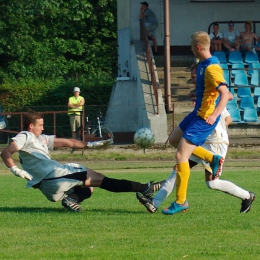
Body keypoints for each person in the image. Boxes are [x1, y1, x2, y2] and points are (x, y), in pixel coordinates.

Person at [136, 64, 255, 215]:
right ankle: (154, 203)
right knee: (178, 168)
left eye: (195, 77)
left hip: (215, 142)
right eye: (192, 77)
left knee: (212, 183)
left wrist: (215, 131)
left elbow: (228, 117)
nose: (193, 80)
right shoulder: (203, 95)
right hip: (202, 141)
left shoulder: (213, 95)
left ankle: (247, 196)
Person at [0, 111, 165, 212]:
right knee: (99, 179)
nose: (43, 128)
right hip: (53, 176)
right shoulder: (25, 136)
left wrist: (91, 144)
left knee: (91, 187)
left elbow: (69, 142)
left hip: (52, 182)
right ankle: (145, 188)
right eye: (40, 125)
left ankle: (72, 200)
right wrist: (15, 169)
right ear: (30, 126)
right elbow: (6, 152)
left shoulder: (40, 138)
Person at [159, 31, 230, 215]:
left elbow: (225, 94)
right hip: (196, 113)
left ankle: (180, 201)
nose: (191, 49)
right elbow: (208, 91)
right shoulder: (202, 65)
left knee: (181, 156)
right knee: (174, 139)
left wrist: (214, 115)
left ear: (198, 48)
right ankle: (211, 158)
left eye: (192, 47)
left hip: (204, 119)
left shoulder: (212, 67)